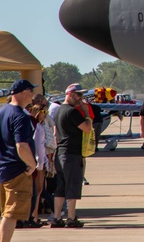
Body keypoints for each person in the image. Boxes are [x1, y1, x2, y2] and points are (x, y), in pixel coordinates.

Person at [0, 79, 38, 242]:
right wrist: (33, 165)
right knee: (12, 214)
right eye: (31, 91)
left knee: (7, 214)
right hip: (17, 171)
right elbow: (21, 146)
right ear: (24, 93)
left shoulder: (2, 113)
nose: (33, 95)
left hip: (2, 170)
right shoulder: (20, 116)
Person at [52, 83, 93, 229]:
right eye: (78, 95)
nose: (80, 99)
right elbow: (87, 128)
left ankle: (57, 218)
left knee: (61, 187)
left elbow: (56, 133)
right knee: (72, 186)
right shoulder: (72, 112)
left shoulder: (58, 111)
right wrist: (86, 113)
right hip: (71, 154)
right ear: (70, 94)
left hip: (60, 153)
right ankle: (71, 217)